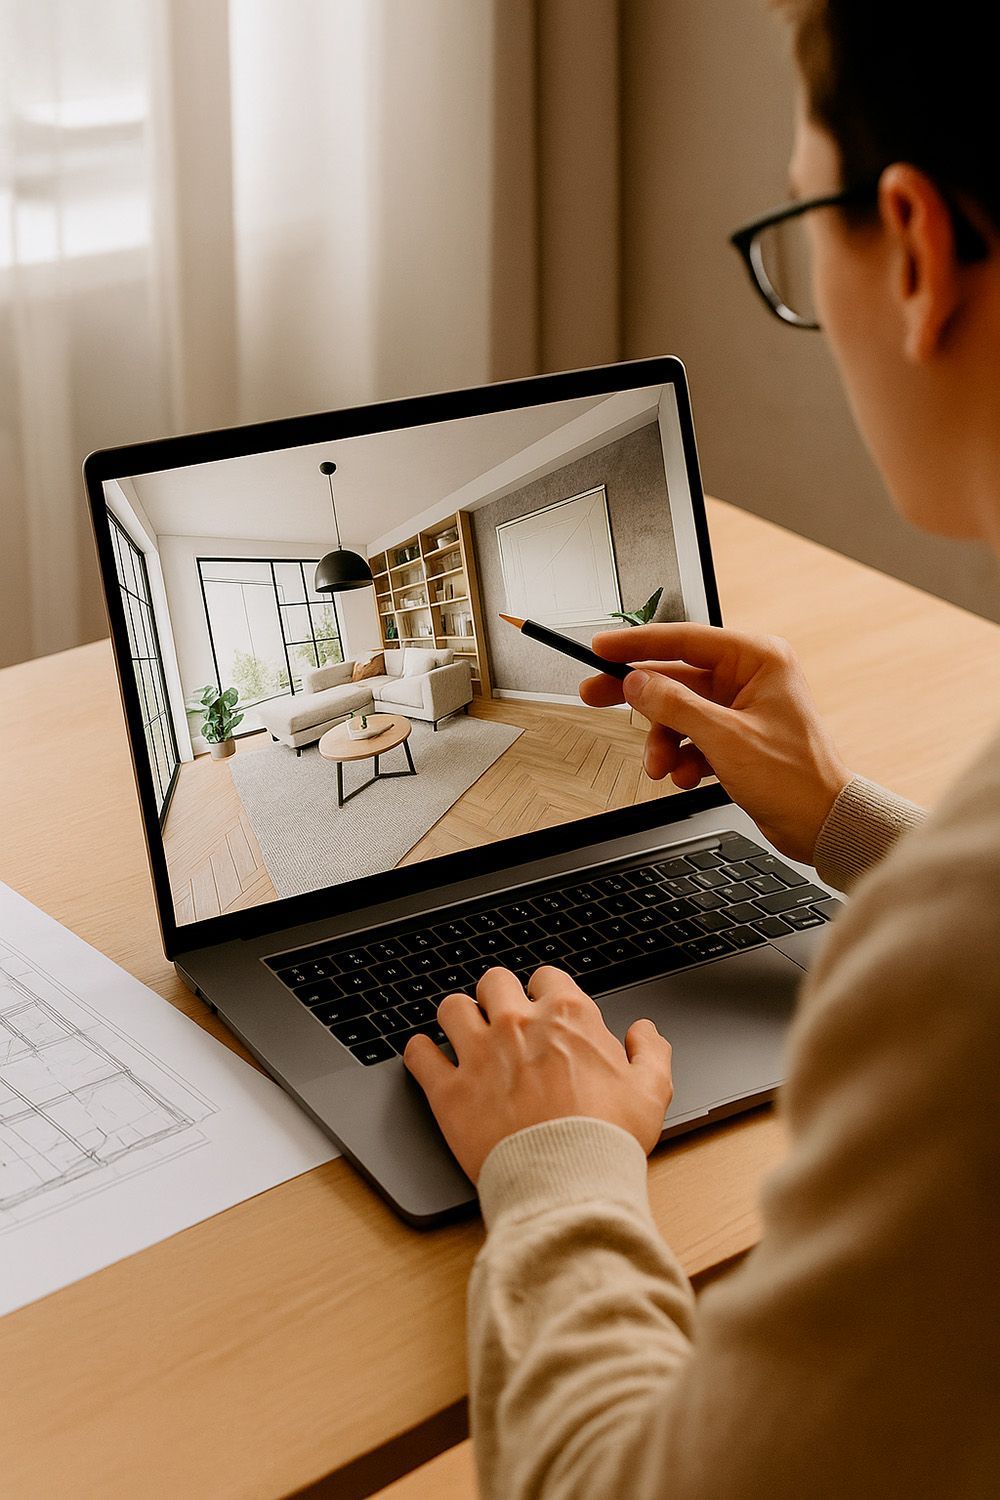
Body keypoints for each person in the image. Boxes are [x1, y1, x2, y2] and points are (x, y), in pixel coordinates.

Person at [403, 1, 1000, 1493]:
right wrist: (847, 820)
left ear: (915, 249)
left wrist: (556, 1160)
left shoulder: (959, 974)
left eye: (806, 218)